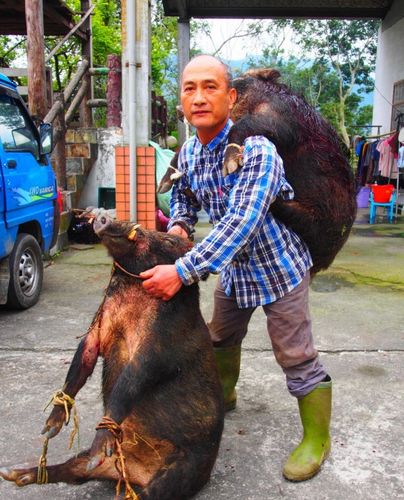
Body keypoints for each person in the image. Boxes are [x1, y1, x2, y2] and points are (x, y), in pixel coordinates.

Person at [140, 54, 332, 482]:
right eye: (190, 88)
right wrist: (179, 226)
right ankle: (224, 393)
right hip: (236, 273)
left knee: (295, 354)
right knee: (220, 338)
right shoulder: (189, 151)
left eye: (210, 87)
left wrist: (183, 270)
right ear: (181, 101)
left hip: (280, 269)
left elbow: (240, 223)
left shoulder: (258, 150)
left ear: (231, 97)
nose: (199, 97)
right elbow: (184, 197)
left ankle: (317, 440)